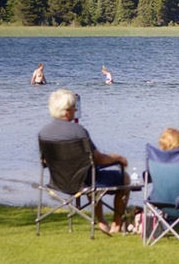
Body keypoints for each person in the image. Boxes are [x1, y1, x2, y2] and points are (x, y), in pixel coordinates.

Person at [39, 89, 130, 234]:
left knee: (90, 175)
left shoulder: (44, 133)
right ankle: (116, 225)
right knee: (124, 178)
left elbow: (44, 161)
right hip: (84, 182)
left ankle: (101, 221)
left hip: (58, 182)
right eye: (74, 107)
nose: (76, 109)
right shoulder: (78, 131)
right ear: (67, 111)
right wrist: (118, 158)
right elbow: (98, 159)